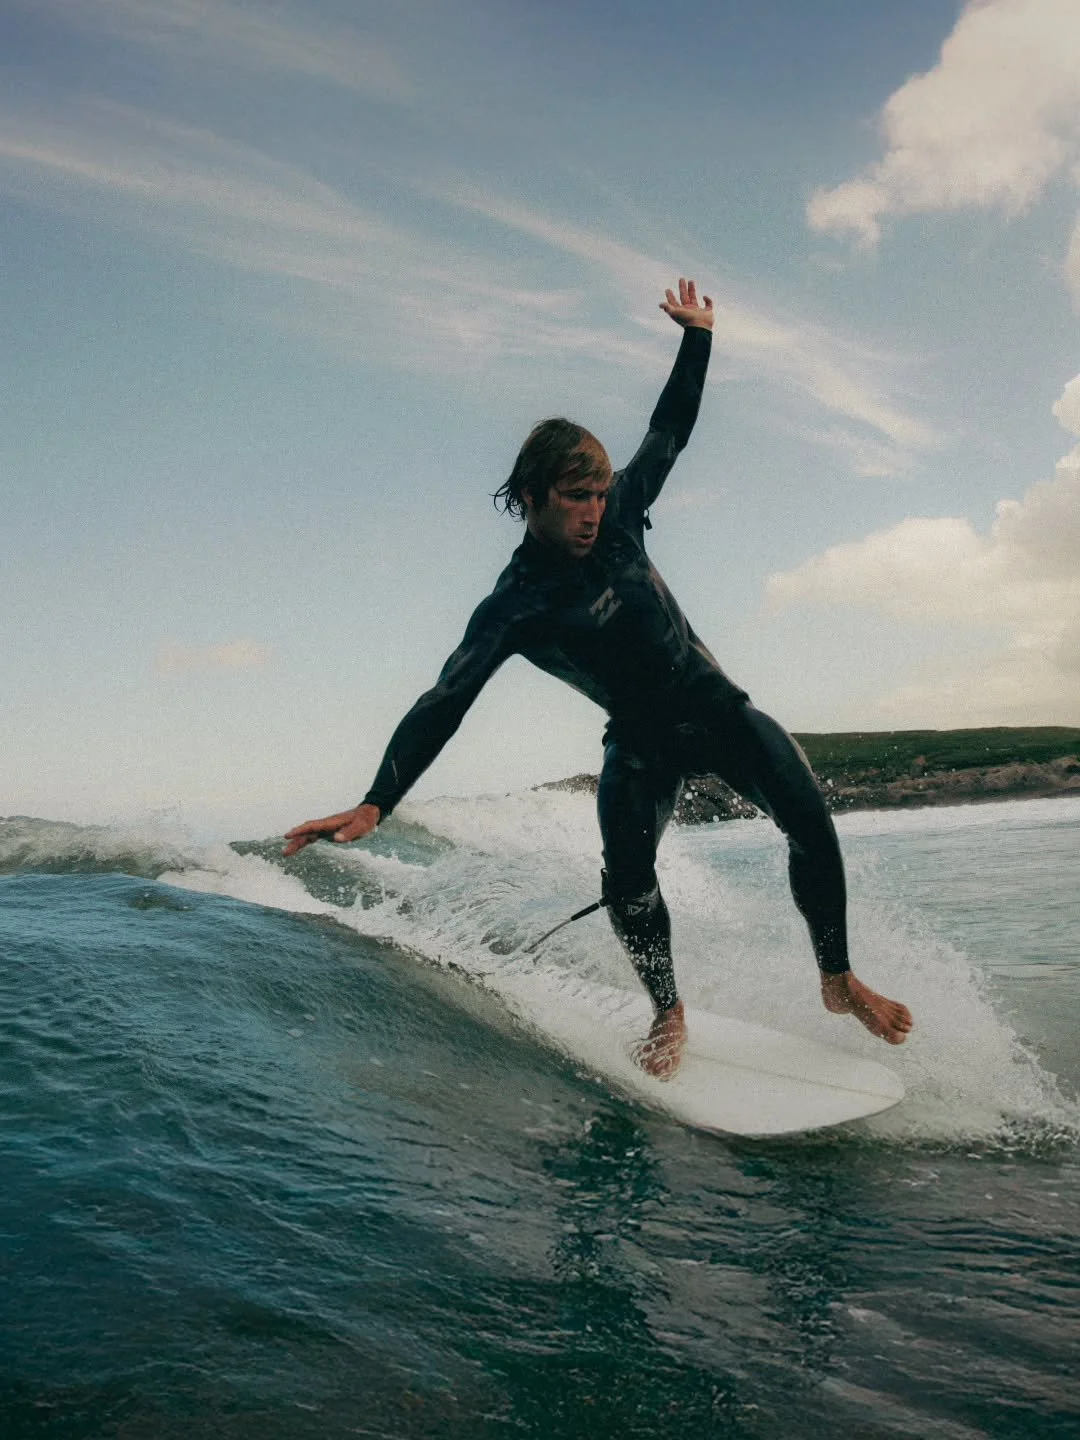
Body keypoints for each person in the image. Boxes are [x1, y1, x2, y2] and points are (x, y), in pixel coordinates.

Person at [284, 278, 913, 1079]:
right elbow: (446, 698)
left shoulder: (620, 516)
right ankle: (668, 1009)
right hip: (640, 742)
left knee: (808, 815)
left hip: (714, 708)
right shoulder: (517, 605)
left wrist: (699, 337)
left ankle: (836, 978)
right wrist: (380, 799)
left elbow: (668, 431)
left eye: (599, 493)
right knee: (627, 879)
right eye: (576, 496)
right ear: (530, 499)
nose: (593, 510)